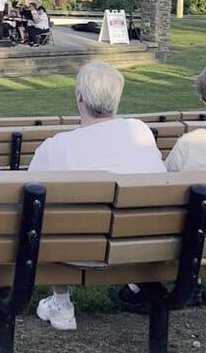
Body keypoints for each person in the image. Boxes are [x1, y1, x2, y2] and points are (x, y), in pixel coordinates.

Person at [29, 61, 165, 331]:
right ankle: (136, 283)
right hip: (140, 247)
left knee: (42, 215)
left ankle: (62, 302)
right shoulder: (141, 132)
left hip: (75, 252)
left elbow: (28, 200)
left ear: (79, 96)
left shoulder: (57, 147)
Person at [115, 67, 206, 313]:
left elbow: (166, 187)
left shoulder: (191, 144)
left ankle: (136, 287)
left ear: (202, 99)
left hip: (192, 236)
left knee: (170, 211)